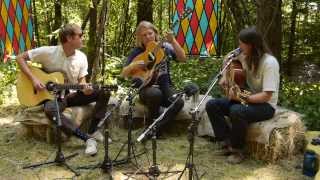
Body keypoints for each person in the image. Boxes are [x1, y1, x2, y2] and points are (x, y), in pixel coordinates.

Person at [16, 23, 110, 156]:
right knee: (50, 109)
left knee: (104, 91)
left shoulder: (81, 57)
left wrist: (85, 89)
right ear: (69, 38)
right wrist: (34, 79)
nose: (83, 38)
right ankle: (87, 139)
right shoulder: (48, 52)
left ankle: (93, 130)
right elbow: (20, 58)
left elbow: (81, 81)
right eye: (80, 35)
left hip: (72, 94)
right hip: (53, 96)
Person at [205, 26, 280, 164]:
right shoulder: (244, 54)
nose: (239, 46)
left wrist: (241, 97)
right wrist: (224, 77)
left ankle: (237, 150)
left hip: (265, 105)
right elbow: (227, 58)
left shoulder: (270, 63)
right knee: (212, 104)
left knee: (236, 110)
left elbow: (266, 96)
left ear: (252, 45)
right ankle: (226, 143)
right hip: (247, 97)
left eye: (241, 44)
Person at [121, 21, 187, 138]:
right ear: (139, 38)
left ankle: (155, 129)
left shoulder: (165, 47)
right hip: (145, 88)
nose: (147, 37)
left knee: (179, 101)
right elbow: (124, 73)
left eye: (150, 33)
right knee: (155, 94)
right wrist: (133, 65)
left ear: (155, 33)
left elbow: (183, 59)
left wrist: (173, 41)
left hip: (165, 86)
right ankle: (152, 127)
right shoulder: (137, 51)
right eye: (144, 35)